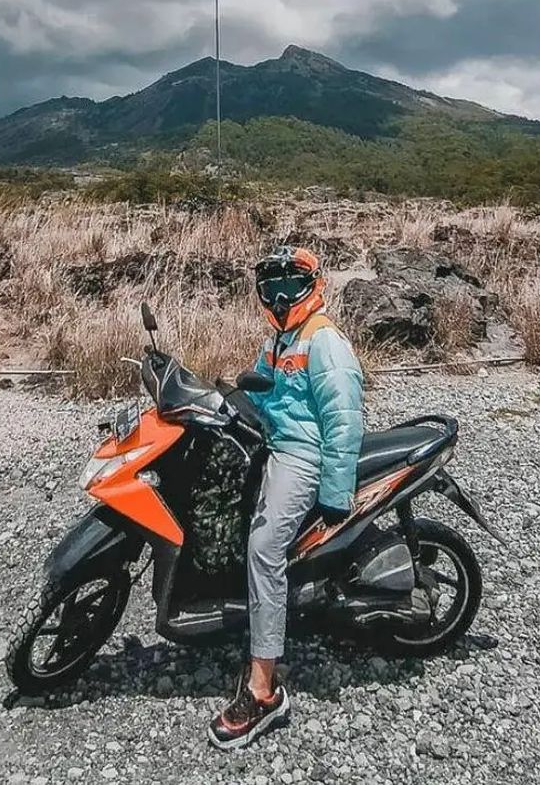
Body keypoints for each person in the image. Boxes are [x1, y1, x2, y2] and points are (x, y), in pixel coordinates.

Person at [208, 246, 364, 750]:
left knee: (264, 548)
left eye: (289, 286)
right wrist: (220, 404)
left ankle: (264, 690)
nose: (278, 296)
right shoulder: (280, 339)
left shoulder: (323, 341)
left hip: (301, 455)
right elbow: (258, 390)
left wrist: (336, 492)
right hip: (273, 445)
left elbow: (343, 418)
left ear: (314, 285)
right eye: (269, 286)